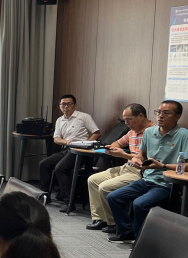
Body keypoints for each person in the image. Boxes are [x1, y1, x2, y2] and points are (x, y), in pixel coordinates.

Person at [106, 100, 188, 243]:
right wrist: (136, 159)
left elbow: (186, 165)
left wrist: (162, 166)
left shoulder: (184, 135)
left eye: (166, 113)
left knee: (140, 203)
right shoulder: (149, 132)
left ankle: (142, 241)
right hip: (147, 179)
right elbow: (142, 154)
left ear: (177, 116)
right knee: (114, 197)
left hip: (167, 183)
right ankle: (127, 232)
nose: (160, 116)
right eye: (159, 112)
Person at [86, 103, 153, 232]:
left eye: (129, 120)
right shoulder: (132, 131)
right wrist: (112, 148)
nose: (126, 123)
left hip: (140, 171)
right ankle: (100, 219)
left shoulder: (152, 132)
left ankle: (113, 223)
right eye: (125, 120)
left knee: (105, 187)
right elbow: (117, 143)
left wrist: (123, 154)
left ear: (141, 116)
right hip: (126, 167)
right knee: (93, 180)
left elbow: (143, 158)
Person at [39, 94, 100, 212]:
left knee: (60, 168)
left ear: (75, 105)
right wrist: (67, 142)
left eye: (69, 104)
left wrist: (86, 144)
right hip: (66, 149)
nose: (66, 107)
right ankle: (44, 195)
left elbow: (97, 133)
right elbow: (56, 139)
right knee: (44, 164)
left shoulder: (83, 117)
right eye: (63, 104)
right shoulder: (59, 120)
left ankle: (69, 202)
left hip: (80, 152)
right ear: (60, 106)